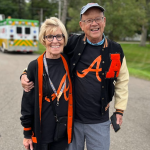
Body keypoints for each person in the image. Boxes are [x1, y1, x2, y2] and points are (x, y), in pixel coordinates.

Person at [20, 3, 129, 150]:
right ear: (81, 25)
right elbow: (50, 54)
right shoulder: (72, 44)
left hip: (99, 120)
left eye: (98, 19)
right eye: (89, 20)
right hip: (72, 121)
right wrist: (25, 73)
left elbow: (122, 81)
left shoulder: (115, 50)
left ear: (104, 21)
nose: (94, 23)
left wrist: (119, 110)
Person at [20, 17, 73, 150]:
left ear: (64, 39)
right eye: (50, 36)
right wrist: (27, 134)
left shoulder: (68, 61)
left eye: (59, 36)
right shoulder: (35, 66)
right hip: (42, 135)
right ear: (44, 40)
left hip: (63, 134)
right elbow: (27, 103)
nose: (55, 41)